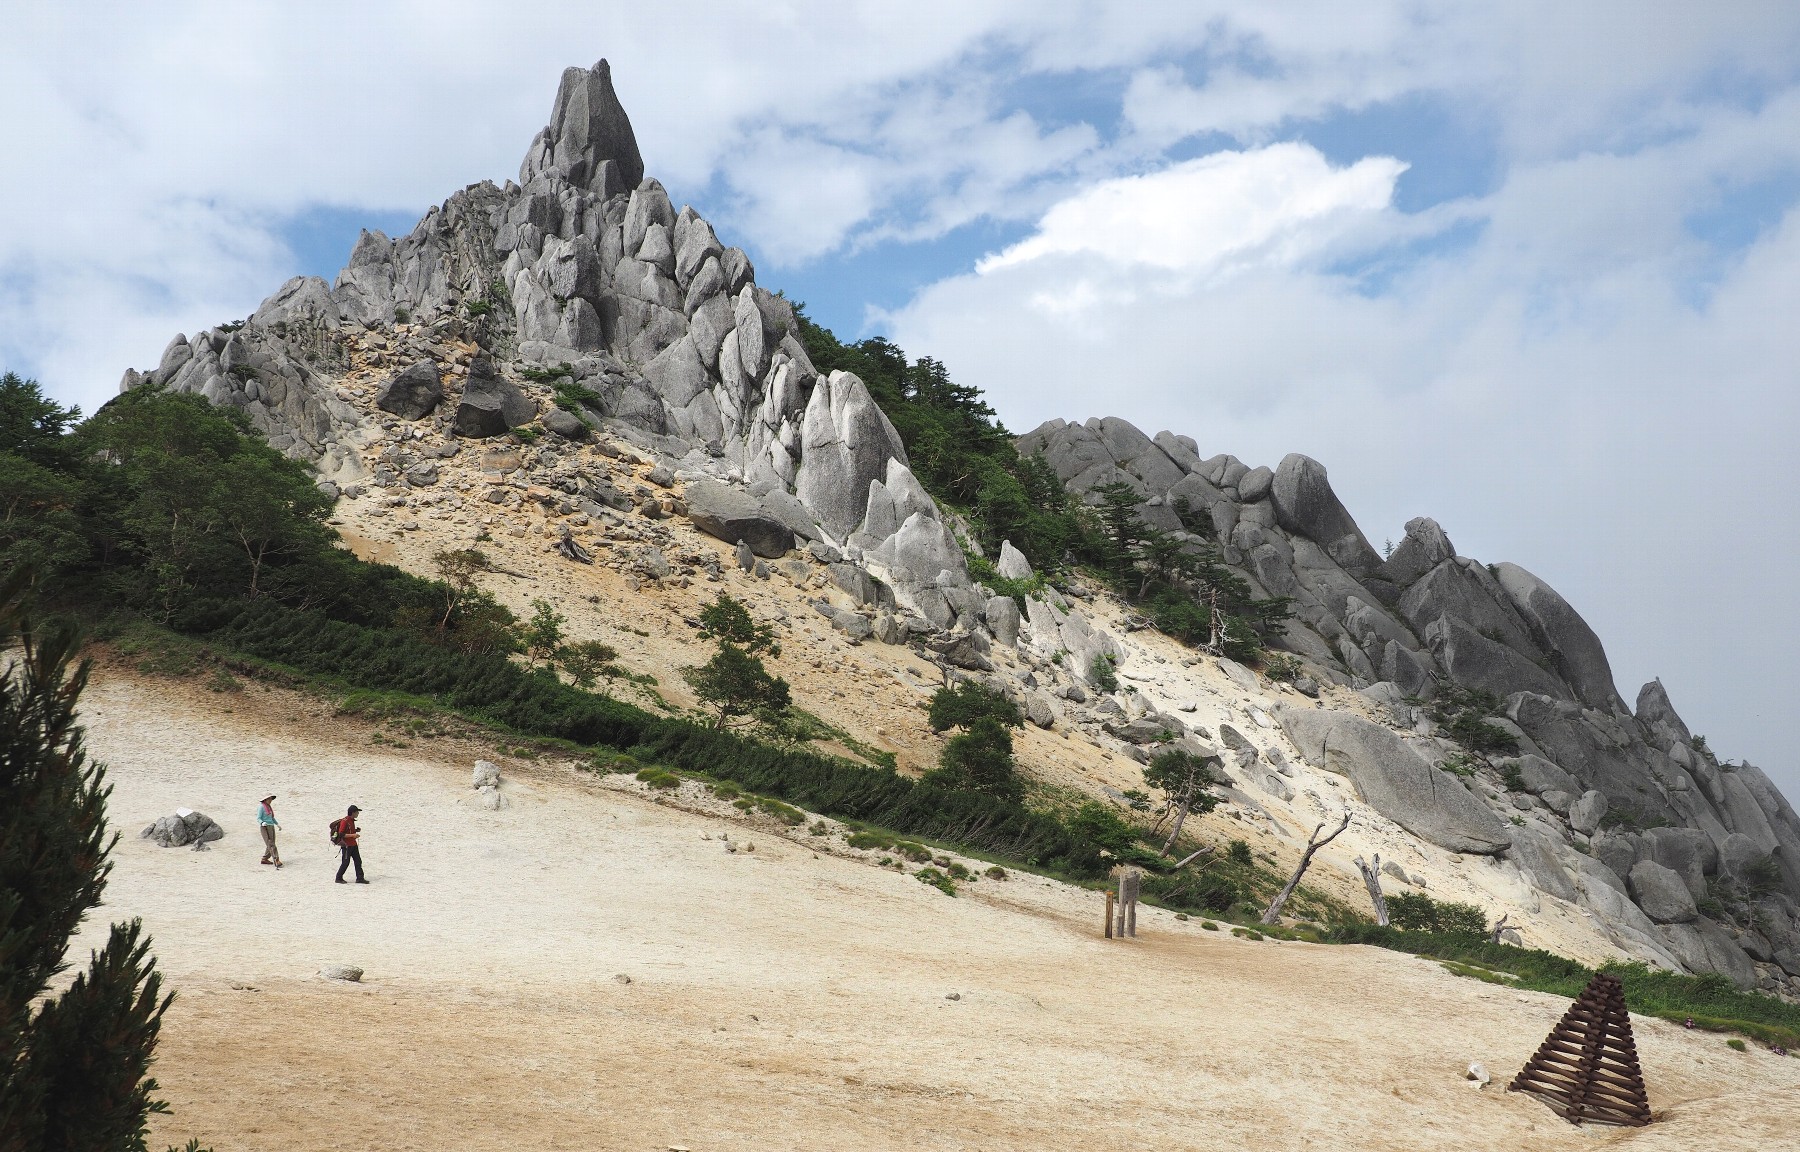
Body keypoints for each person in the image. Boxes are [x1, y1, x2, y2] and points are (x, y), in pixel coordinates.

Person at [335, 804, 367, 884]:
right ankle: (338, 878)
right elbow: (341, 834)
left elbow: (348, 831)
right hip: (347, 845)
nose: (358, 814)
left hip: (353, 844)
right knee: (345, 862)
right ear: (353, 812)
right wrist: (353, 835)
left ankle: (360, 878)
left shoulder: (351, 820)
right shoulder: (345, 821)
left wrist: (355, 831)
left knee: (358, 861)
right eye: (357, 812)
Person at [257, 794, 282, 868]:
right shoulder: (261, 807)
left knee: (271, 843)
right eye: (269, 799)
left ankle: (265, 859)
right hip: (265, 827)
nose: (271, 800)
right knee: (270, 844)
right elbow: (258, 818)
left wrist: (277, 824)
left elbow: (272, 818)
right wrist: (262, 822)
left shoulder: (269, 807)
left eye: (271, 799)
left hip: (271, 826)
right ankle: (276, 859)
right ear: (265, 799)